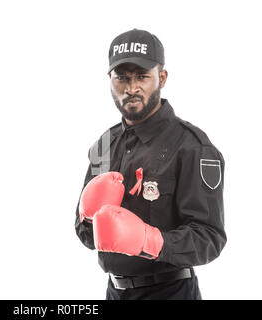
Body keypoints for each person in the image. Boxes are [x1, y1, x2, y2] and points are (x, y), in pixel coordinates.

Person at [74, 28, 226, 300]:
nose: (131, 88)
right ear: (110, 79)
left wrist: (150, 240)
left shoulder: (192, 146)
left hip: (171, 293)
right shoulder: (103, 145)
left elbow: (210, 238)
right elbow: (86, 236)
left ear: (162, 78)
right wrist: (87, 218)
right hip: (114, 292)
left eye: (142, 76)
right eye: (122, 77)